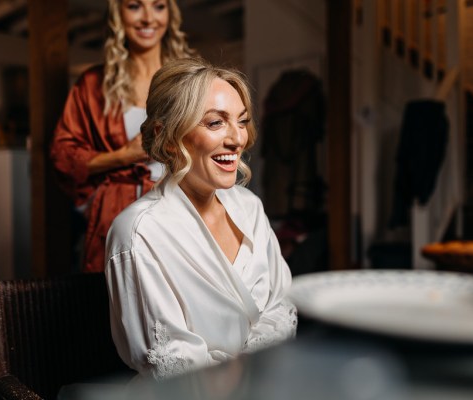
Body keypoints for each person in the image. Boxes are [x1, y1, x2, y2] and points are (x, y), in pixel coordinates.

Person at [105, 58, 297, 381]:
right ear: (165, 136)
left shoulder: (250, 208)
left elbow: (280, 307)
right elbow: (173, 364)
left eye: (242, 121)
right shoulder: (138, 234)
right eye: (214, 123)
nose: (237, 139)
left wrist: (252, 371)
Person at [51, 0, 194, 272]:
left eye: (159, 6)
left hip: (182, 210)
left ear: (171, 14)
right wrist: (123, 156)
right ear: (118, 15)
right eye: (134, 6)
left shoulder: (190, 79)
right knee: (116, 306)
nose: (148, 18)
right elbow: (62, 156)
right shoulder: (93, 84)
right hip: (116, 217)